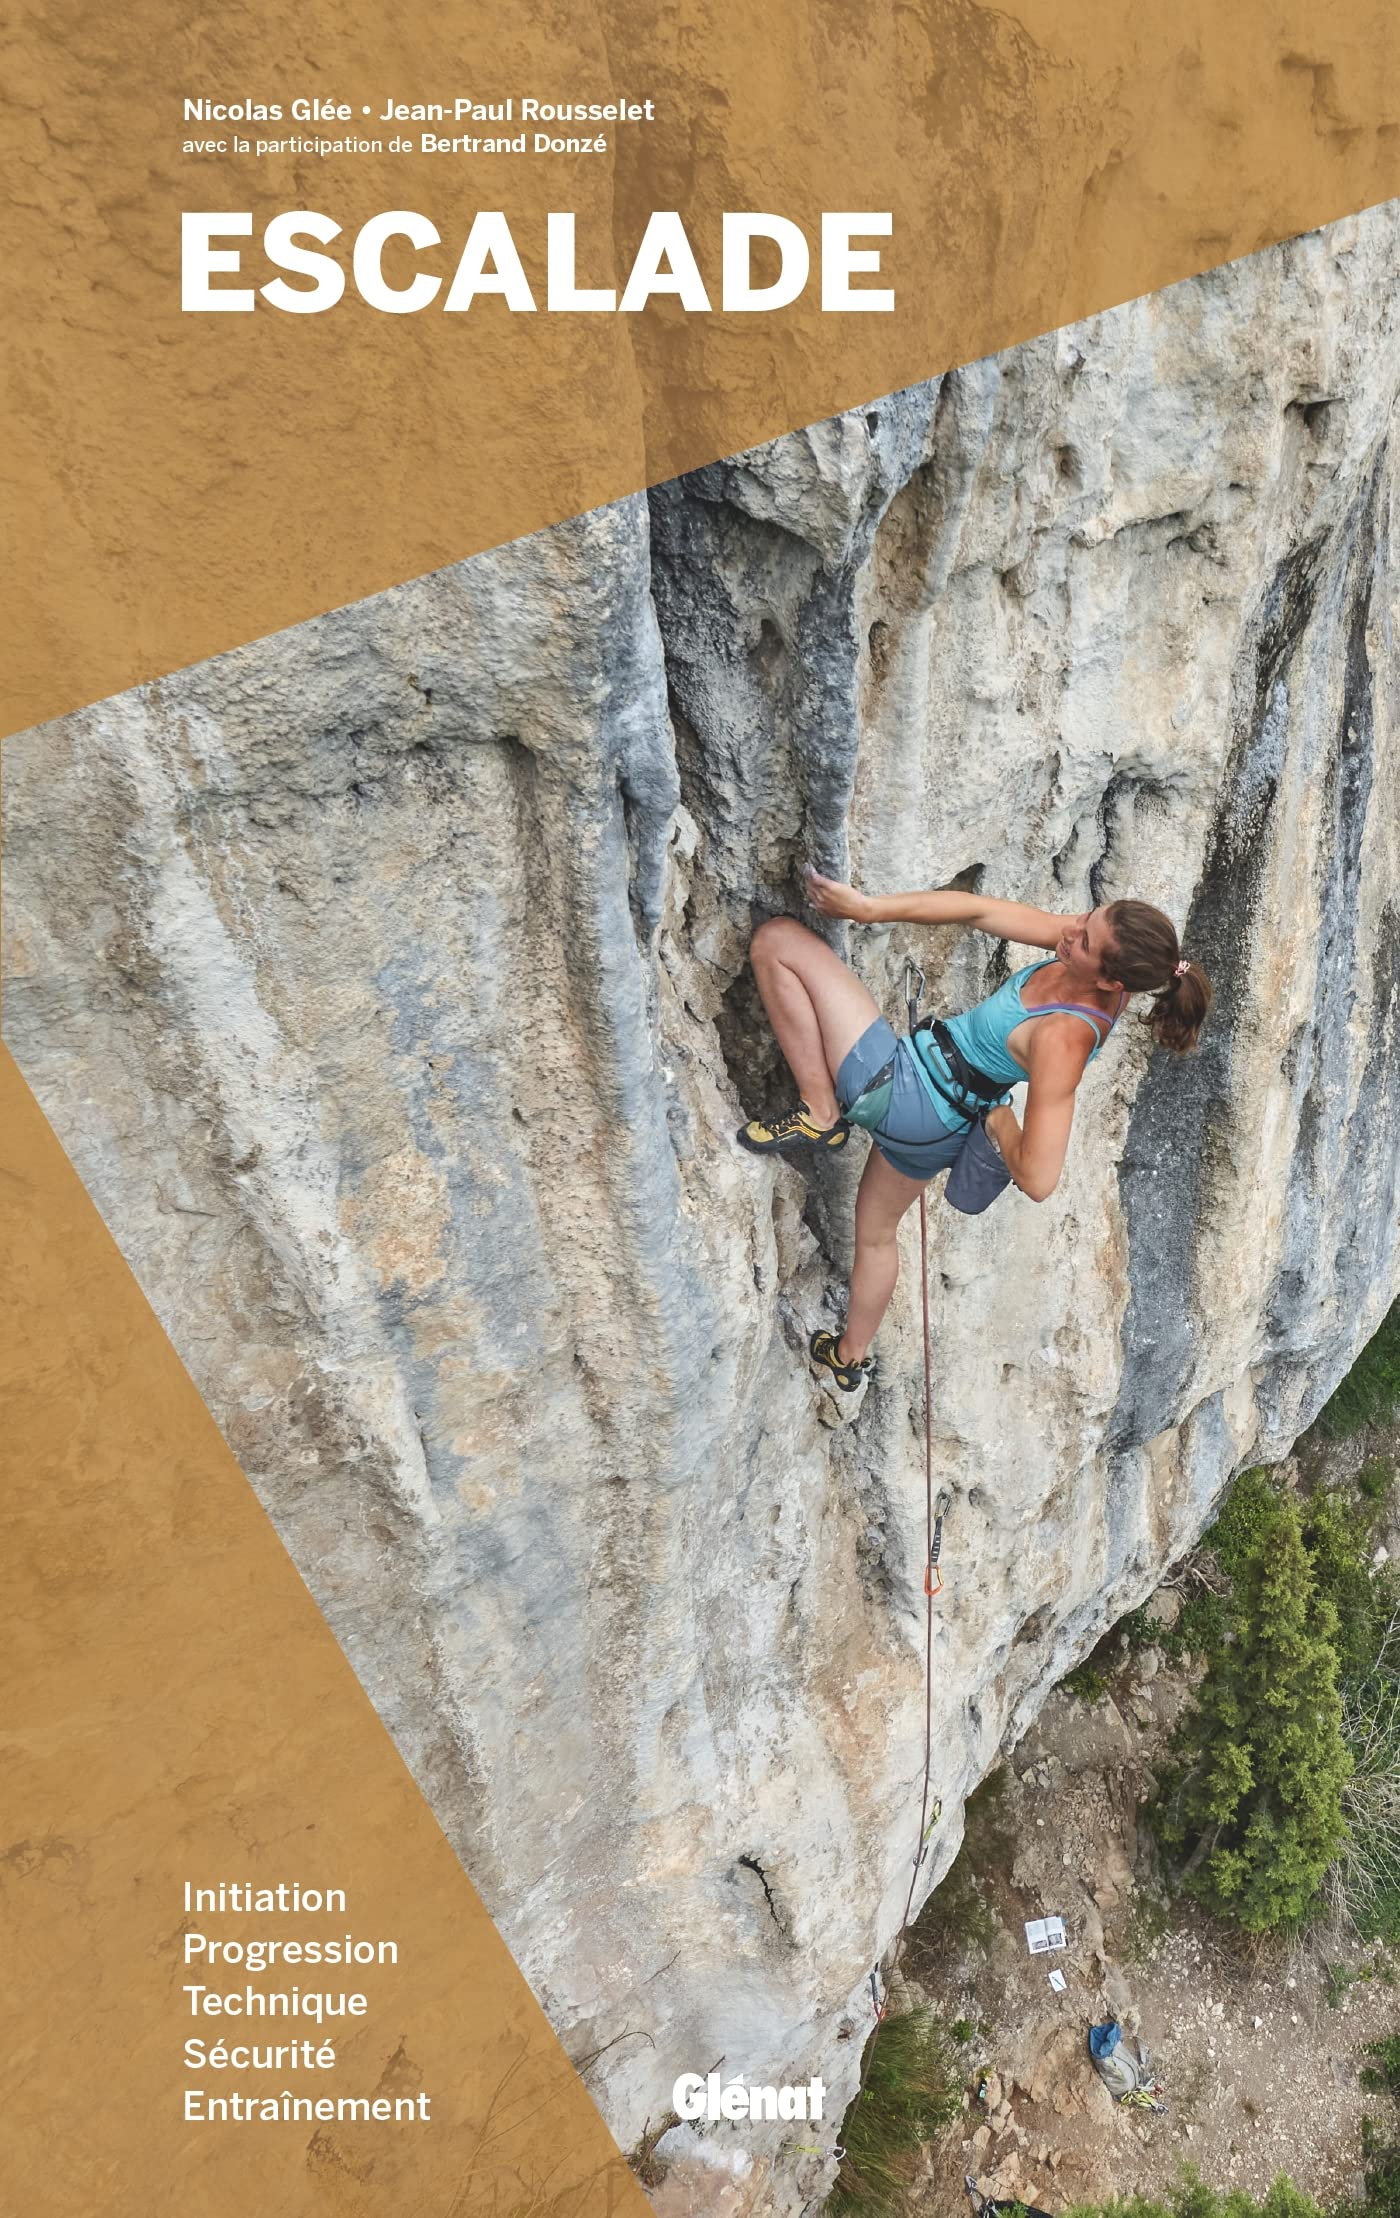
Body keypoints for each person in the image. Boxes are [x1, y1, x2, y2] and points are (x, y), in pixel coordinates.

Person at [736, 868, 1212, 1392]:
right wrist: (867, 908)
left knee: (777, 941)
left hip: (906, 1095)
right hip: (939, 1128)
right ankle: (847, 1358)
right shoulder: (1087, 953)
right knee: (874, 1237)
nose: (1069, 932)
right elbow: (980, 912)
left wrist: (1003, 1118)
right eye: (1084, 920)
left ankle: (820, 1112)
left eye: (1084, 940)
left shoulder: (1064, 1037)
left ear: (1110, 983)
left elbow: (1039, 1178)